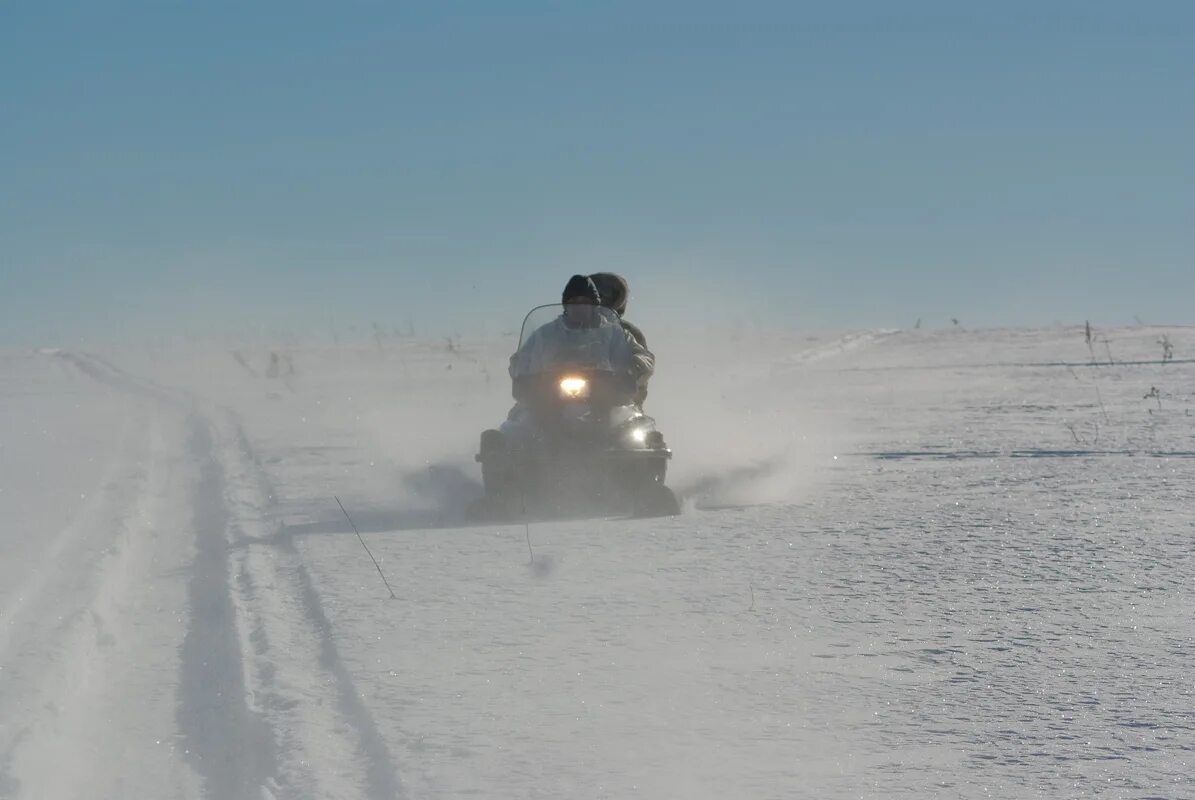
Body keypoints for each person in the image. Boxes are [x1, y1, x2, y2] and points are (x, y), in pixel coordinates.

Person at [588, 272, 650, 404]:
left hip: (615, 397)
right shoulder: (560, 328)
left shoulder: (626, 331)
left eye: (604, 296)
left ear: (616, 299)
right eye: (594, 295)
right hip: (560, 396)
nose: (599, 300)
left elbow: (643, 358)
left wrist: (633, 369)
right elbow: (536, 355)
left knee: (631, 420)